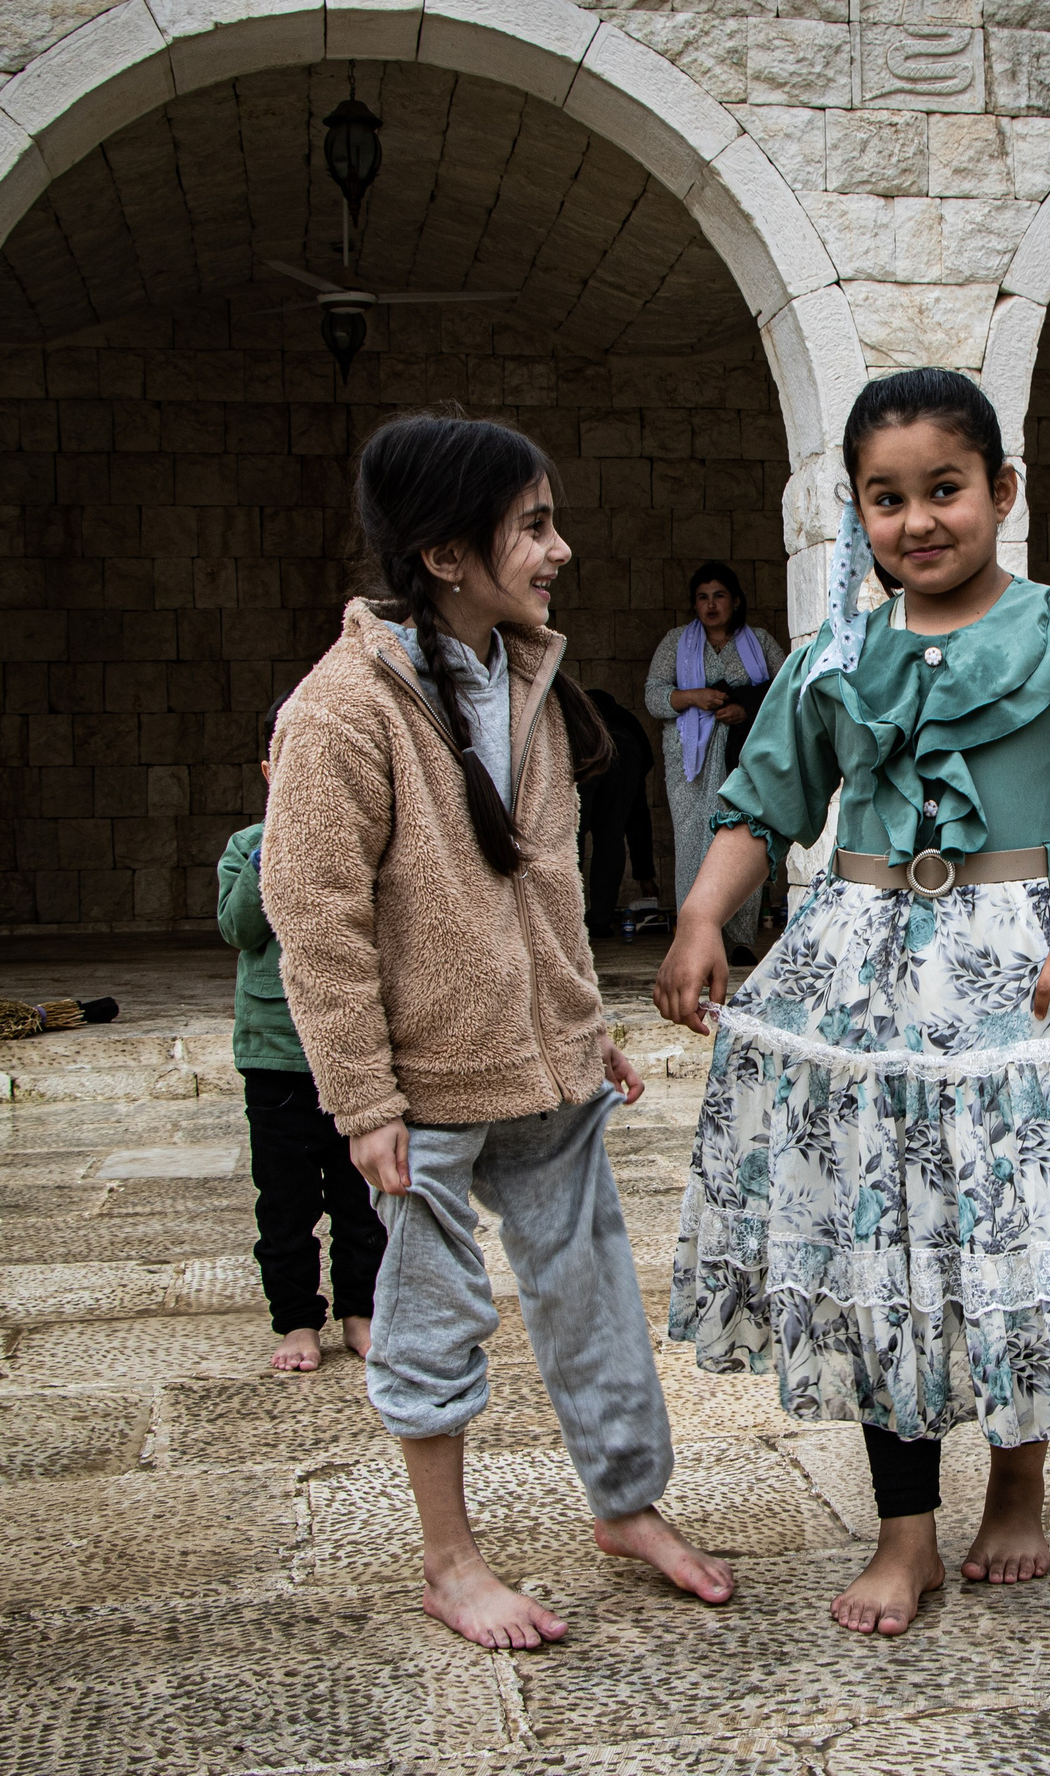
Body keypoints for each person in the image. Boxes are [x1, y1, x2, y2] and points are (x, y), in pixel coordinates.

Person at [656, 368, 1050, 1637]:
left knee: (1012, 1236)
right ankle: (906, 1533)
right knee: (881, 1244)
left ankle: (1018, 1480)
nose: (919, 521)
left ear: (1001, 492)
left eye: (944, 489)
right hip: (865, 987)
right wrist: (698, 916)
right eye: (886, 499)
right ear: (858, 514)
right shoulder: (834, 656)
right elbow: (759, 806)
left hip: (1032, 980)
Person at [262, 408, 733, 1650]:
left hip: (547, 1068)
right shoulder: (341, 713)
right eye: (532, 526)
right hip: (422, 1088)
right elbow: (315, 919)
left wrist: (579, 1023)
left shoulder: (526, 675)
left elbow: (542, 883)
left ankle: (627, 1506)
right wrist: (362, 1102)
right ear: (443, 555)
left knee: (592, 1293)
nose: (558, 549)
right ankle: (449, 1561)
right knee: (432, 1309)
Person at [217, 689, 386, 1375]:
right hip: (276, 1056)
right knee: (285, 1201)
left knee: (361, 1198)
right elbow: (239, 927)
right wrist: (276, 847)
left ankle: (362, 1311)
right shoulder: (246, 848)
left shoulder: (359, 838)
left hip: (347, 1052)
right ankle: (295, 1319)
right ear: (269, 771)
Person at [646, 563, 787, 963]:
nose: (710, 605)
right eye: (703, 597)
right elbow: (654, 697)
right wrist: (694, 697)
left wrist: (744, 708)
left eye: (719, 595)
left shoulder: (758, 641)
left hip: (744, 755)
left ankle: (741, 940)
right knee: (693, 842)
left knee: (742, 834)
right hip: (691, 762)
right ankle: (692, 938)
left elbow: (787, 688)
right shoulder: (676, 642)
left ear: (736, 600)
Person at [580, 686, 659, 939]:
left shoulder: (577, 718)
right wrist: (645, 874)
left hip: (586, 748)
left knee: (571, 835)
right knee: (610, 837)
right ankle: (600, 922)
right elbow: (637, 814)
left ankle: (565, 920)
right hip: (623, 750)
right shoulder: (629, 726)